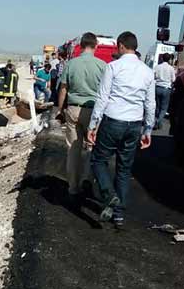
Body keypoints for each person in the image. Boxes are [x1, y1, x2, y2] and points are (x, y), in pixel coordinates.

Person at [87, 31, 155, 228]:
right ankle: (119, 215)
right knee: (124, 169)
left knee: (99, 160)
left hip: (113, 121)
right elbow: (150, 104)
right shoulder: (147, 72)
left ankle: (108, 194)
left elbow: (102, 98)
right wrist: (147, 130)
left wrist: (93, 125)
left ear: (121, 46)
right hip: (134, 124)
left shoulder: (113, 67)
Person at [57, 32, 106, 204]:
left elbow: (63, 89)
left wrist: (60, 109)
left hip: (73, 110)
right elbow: (106, 93)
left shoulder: (71, 64)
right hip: (93, 112)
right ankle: (87, 179)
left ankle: (73, 187)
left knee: (73, 149)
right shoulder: (102, 65)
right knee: (92, 147)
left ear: (81, 45)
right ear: (96, 45)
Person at [153, 53, 176, 130]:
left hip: (157, 87)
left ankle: (157, 121)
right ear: (169, 59)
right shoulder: (171, 68)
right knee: (164, 108)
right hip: (166, 89)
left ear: (162, 58)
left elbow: (154, 77)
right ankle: (158, 121)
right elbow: (173, 80)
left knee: (157, 106)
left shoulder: (157, 67)